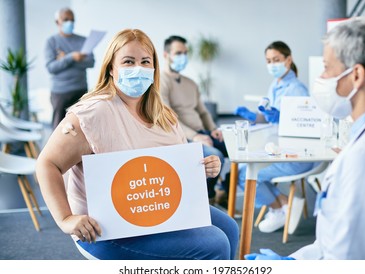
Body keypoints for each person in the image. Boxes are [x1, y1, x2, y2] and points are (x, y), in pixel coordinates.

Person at [36, 28, 239, 260]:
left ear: (154, 69)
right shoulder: (93, 113)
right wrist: (66, 219)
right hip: (105, 229)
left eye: (145, 62)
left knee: (229, 229)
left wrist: (202, 167)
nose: (138, 69)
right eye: (128, 61)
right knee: (214, 243)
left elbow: (176, 168)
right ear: (111, 68)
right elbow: (47, 163)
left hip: (159, 208)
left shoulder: (164, 114)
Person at [246, 16, 365, 260]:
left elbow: (348, 263)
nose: (321, 78)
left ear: (356, 75)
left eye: (326, 67)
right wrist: (294, 261)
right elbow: (332, 242)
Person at [233, 41, 316, 234]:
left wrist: (281, 118)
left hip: (296, 155)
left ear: (288, 59)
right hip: (279, 148)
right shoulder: (276, 84)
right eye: (268, 61)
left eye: (276, 60)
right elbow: (266, 115)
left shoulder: (296, 89)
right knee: (244, 170)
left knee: (245, 175)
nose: (272, 65)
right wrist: (255, 116)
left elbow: (302, 128)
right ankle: (283, 205)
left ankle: (279, 207)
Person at [160, 35, 229, 207]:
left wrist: (213, 129)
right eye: (178, 53)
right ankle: (207, 201)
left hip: (202, 132)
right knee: (216, 155)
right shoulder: (160, 82)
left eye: (185, 53)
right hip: (184, 136)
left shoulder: (190, 83)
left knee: (236, 149)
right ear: (166, 55)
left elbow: (203, 111)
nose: (182, 57)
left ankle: (225, 190)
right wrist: (195, 136)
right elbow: (168, 117)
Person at [44, 7, 95, 129]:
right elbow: (51, 68)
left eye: (72, 20)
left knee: (82, 127)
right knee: (59, 128)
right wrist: (72, 57)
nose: (70, 22)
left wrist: (65, 57)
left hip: (81, 90)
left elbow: (91, 63)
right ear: (57, 22)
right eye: (66, 19)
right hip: (60, 92)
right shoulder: (51, 42)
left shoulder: (83, 40)